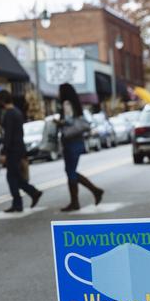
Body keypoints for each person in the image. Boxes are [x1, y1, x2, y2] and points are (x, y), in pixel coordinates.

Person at [57, 83, 104, 212]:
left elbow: (69, 121)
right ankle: (76, 201)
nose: (58, 93)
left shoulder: (66, 104)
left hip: (70, 141)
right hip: (77, 141)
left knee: (70, 172)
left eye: (59, 91)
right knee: (70, 171)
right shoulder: (76, 104)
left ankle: (93, 192)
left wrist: (58, 122)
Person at [0, 90, 42, 213]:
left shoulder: (9, 114)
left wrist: (4, 152)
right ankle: (30, 195)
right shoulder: (17, 112)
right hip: (19, 148)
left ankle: (22, 200)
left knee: (12, 177)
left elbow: (8, 135)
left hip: (13, 150)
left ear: (1, 101)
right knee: (16, 176)